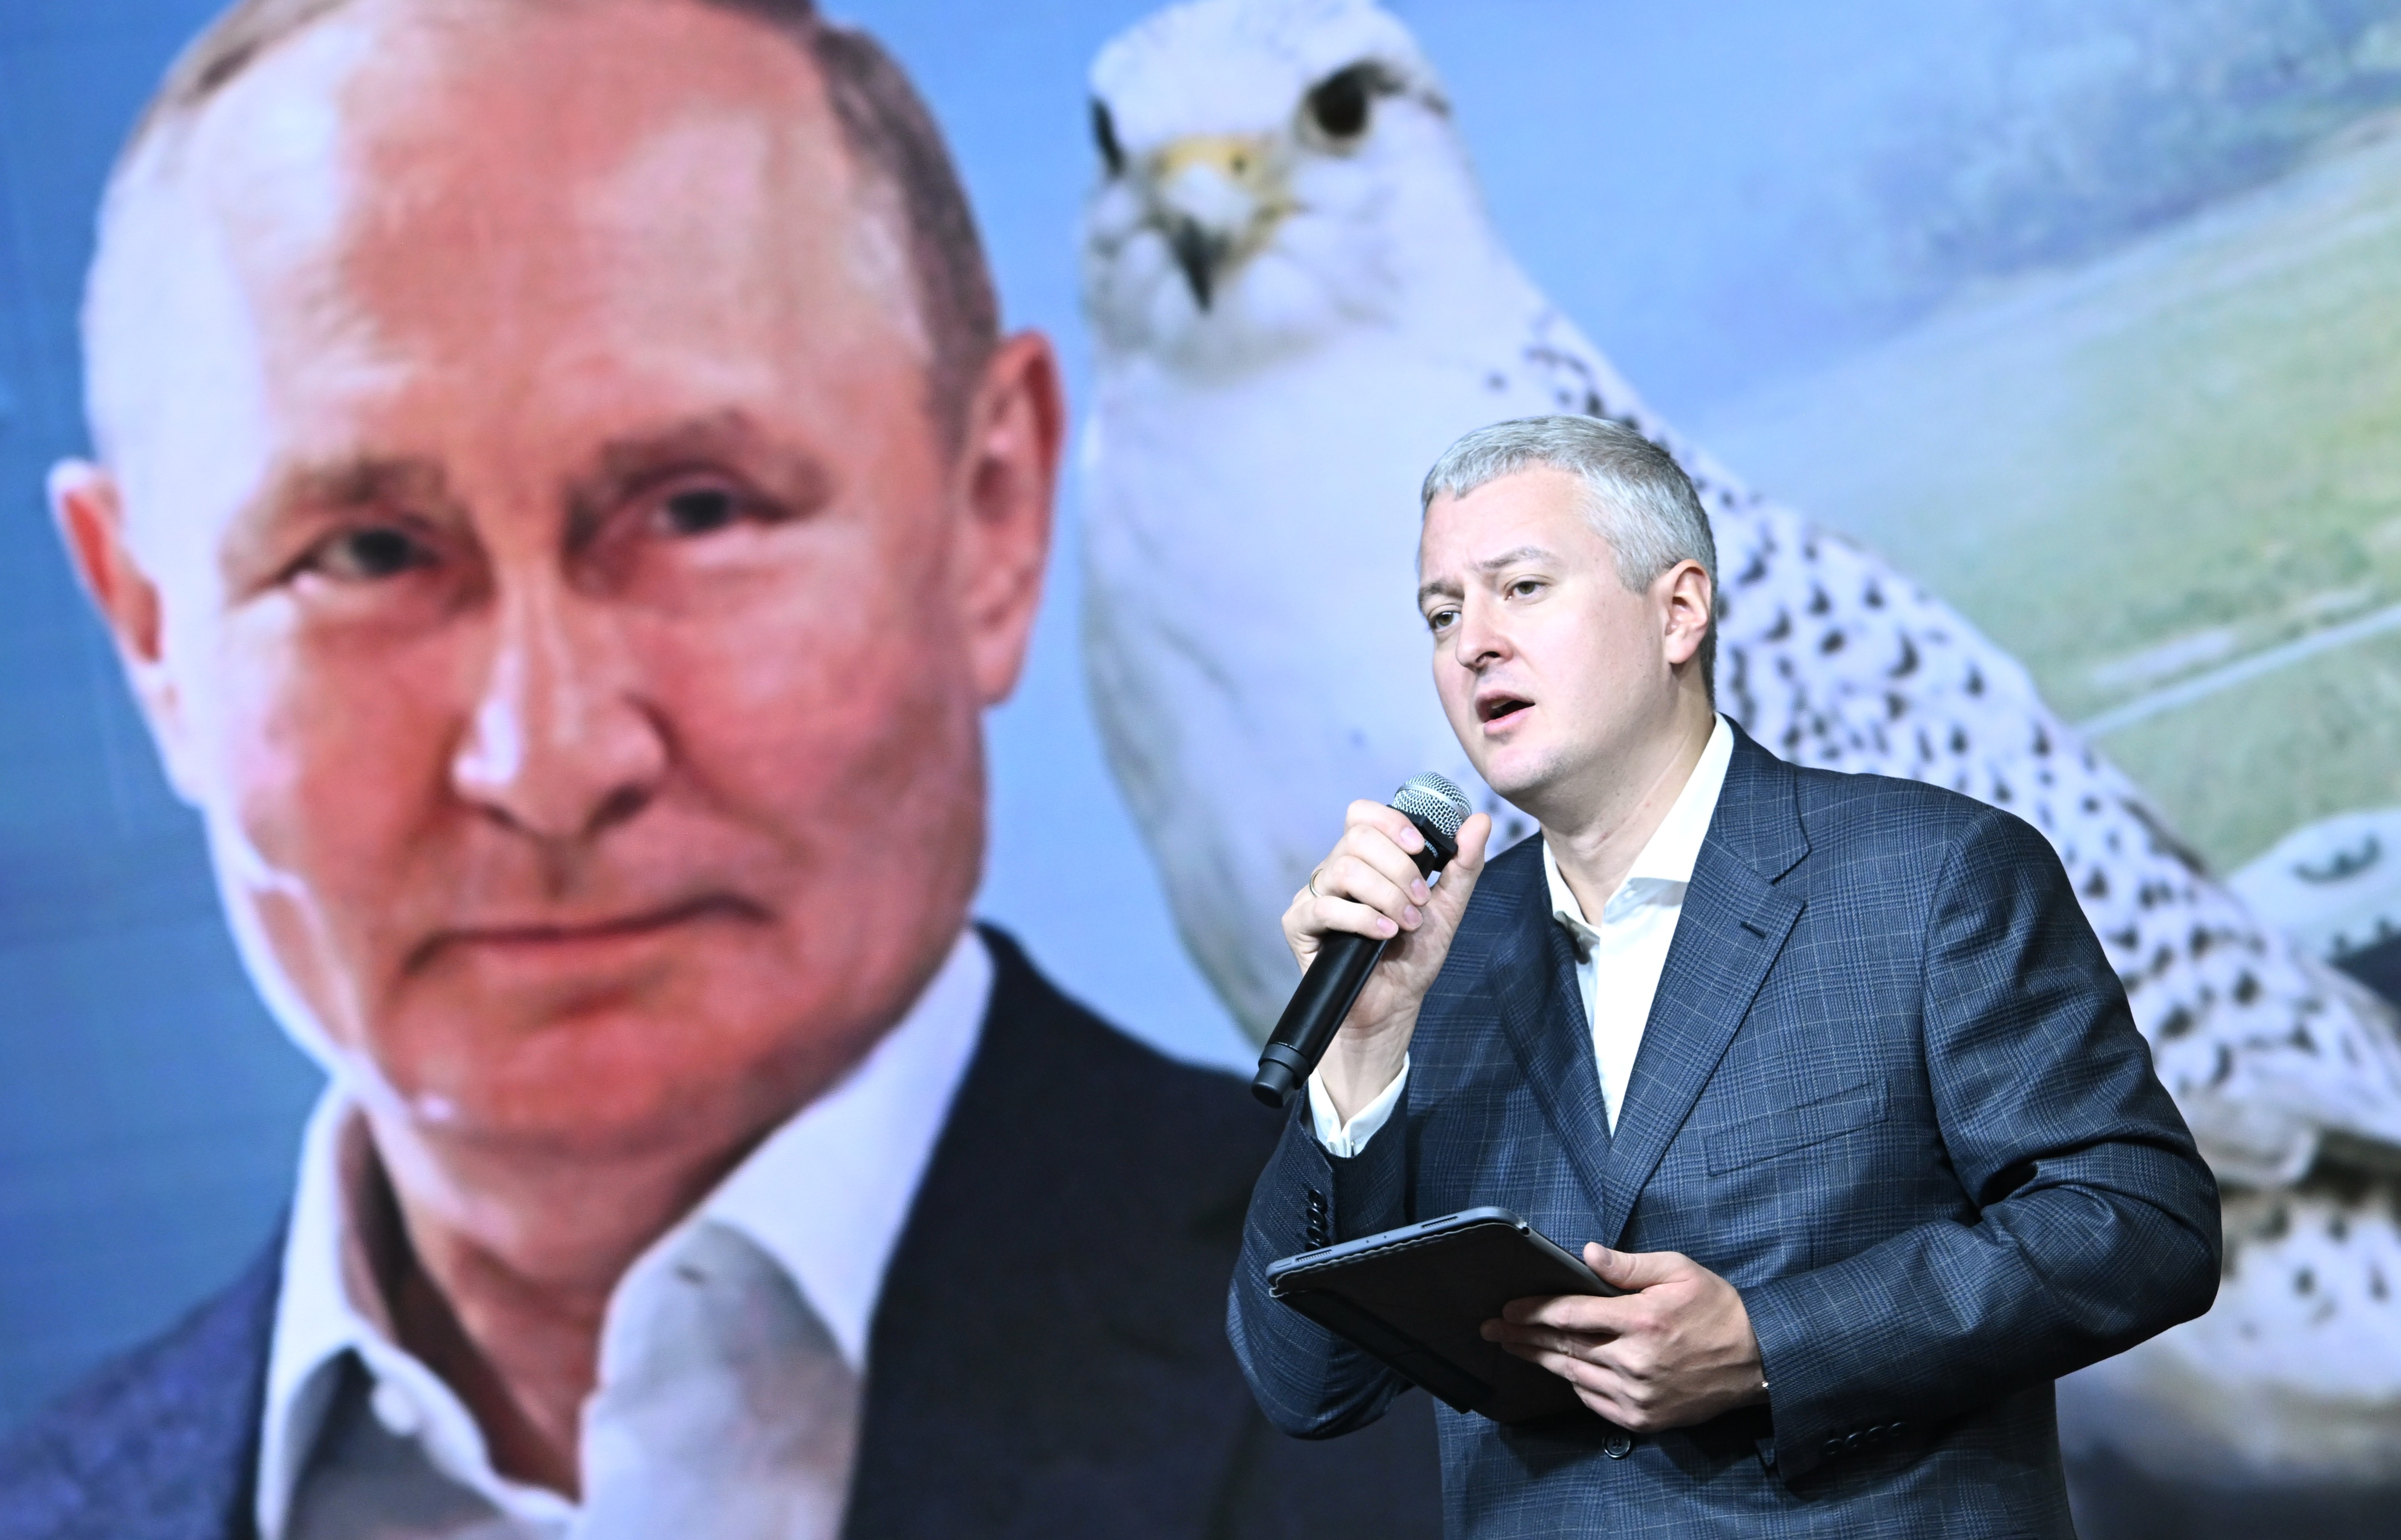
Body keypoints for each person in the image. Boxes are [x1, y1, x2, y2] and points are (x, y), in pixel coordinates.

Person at [0, 1, 1444, 1536]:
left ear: (992, 515)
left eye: (697, 512)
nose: (547, 763)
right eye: (366, 555)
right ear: (147, 636)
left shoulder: (1490, 1412)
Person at [1228, 414, 2222, 1537]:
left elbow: (2138, 1221)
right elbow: (1308, 1386)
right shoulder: (1430, 952)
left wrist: (1768, 1343)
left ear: (1680, 610)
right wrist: (1362, 1056)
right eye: (1442, 614)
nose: (1474, 645)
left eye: (1523, 588)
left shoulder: (1926, 874)